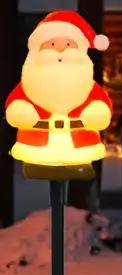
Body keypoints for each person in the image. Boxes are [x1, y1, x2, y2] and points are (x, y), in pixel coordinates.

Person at [5, 11, 112, 172]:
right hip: (35, 146)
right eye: (52, 44)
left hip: (81, 147)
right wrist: (20, 111)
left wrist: (96, 112)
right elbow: (15, 103)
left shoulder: (86, 82)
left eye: (68, 44)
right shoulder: (30, 80)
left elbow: (101, 104)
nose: (60, 50)